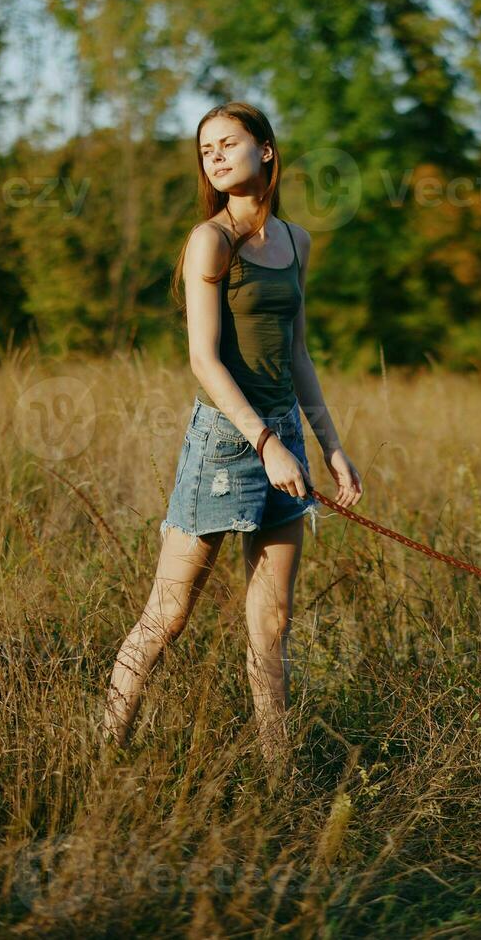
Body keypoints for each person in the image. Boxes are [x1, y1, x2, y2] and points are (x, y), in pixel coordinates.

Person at [102, 101, 363, 767]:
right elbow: (203, 360)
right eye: (206, 149)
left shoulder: (296, 242)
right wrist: (263, 441)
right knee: (169, 614)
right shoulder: (210, 241)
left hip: (285, 443)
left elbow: (299, 355)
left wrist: (329, 446)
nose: (215, 157)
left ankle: (279, 775)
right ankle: (99, 753)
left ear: (267, 151)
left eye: (228, 143)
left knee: (272, 624)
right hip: (227, 440)